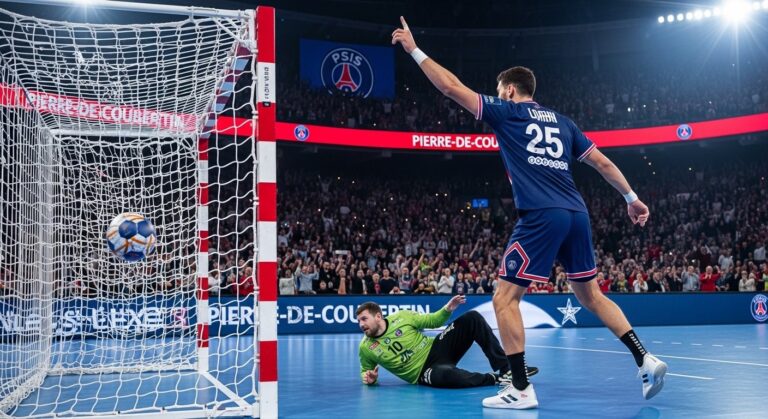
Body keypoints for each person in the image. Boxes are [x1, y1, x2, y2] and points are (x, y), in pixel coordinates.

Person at [392, 16, 667, 409]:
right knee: (591, 295)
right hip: (577, 213)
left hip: (541, 216)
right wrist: (631, 198)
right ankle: (645, 358)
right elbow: (603, 164)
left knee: (504, 299)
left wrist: (414, 50)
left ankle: (519, 390)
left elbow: (451, 87)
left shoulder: (508, 113)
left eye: (500, 90)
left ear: (509, 90)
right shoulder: (564, 122)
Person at [357, 296, 538, 389]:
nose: (361, 324)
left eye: (364, 319)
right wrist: (370, 380)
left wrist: (447, 309)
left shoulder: (402, 317)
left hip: (438, 348)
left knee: (472, 317)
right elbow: (366, 373)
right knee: (446, 376)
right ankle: (495, 378)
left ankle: (507, 369)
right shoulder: (366, 348)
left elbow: (432, 321)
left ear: (378, 316)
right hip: (423, 372)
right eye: (359, 321)